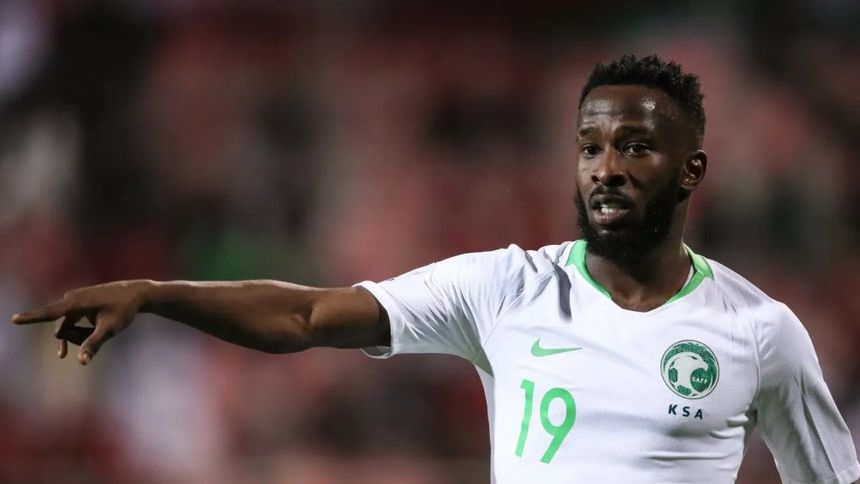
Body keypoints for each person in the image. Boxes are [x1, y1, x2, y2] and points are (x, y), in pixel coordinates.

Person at [12, 54, 859, 483]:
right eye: (590, 146)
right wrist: (157, 294)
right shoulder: (506, 290)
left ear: (690, 171)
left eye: (635, 147)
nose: (606, 168)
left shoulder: (760, 333)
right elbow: (308, 317)